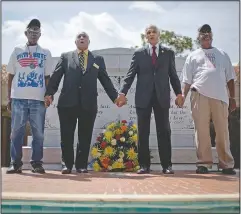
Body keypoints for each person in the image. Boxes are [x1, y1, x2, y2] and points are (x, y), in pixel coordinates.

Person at [45, 32, 125, 174]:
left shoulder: (97, 59)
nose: (82, 38)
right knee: (66, 135)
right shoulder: (66, 57)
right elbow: (56, 76)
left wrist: (115, 98)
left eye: (85, 37)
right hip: (67, 103)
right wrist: (49, 93)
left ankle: (81, 165)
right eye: (79, 37)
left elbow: (105, 80)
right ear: (75, 41)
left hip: (88, 104)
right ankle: (67, 165)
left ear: (89, 41)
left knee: (85, 136)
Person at [117, 25, 183, 174]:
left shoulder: (168, 53)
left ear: (159, 35)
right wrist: (122, 93)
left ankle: (167, 165)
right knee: (143, 132)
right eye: (148, 33)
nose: (151, 34)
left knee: (164, 131)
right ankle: (144, 165)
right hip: (143, 97)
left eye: (154, 32)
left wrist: (179, 93)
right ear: (146, 36)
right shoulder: (139, 53)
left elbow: (173, 75)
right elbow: (130, 74)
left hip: (162, 97)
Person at [181, 24, 236, 175]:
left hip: (220, 97)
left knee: (222, 131)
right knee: (202, 131)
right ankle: (203, 163)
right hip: (199, 95)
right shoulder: (192, 56)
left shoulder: (223, 54)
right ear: (198, 37)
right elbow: (187, 80)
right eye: (203, 33)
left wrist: (232, 98)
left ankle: (226, 164)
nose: (206, 35)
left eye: (208, 32)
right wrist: (182, 96)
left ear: (212, 35)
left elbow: (230, 78)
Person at [6, 19, 52, 174]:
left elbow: (47, 77)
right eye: (31, 32)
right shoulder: (17, 50)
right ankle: (15, 163)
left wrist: (47, 96)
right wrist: (9, 97)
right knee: (16, 132)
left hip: (38, 99)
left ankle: (37, 163)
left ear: (40, 34)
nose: (33, 34)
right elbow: (10, 74)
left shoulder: (46, 53)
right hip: (18, 98)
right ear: (26, 33)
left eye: (36, 32)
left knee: (38, 132)